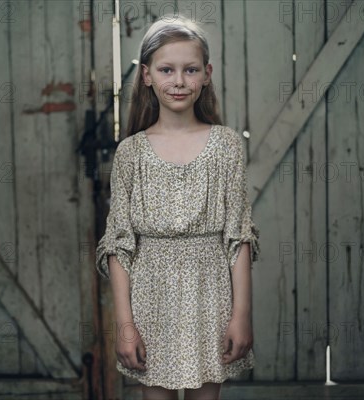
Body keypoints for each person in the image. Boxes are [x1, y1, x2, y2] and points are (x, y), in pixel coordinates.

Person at [95, 15, 260, 400]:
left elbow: (239, 236)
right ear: (148, 75)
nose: (179, 81)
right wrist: (124, 324)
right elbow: (118, 244)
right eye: (166, 69)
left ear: (207, 74)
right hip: (151, 296)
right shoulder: (131, 152)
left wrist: (241, 316)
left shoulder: (225, 145)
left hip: (210, 293)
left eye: (190, 70)